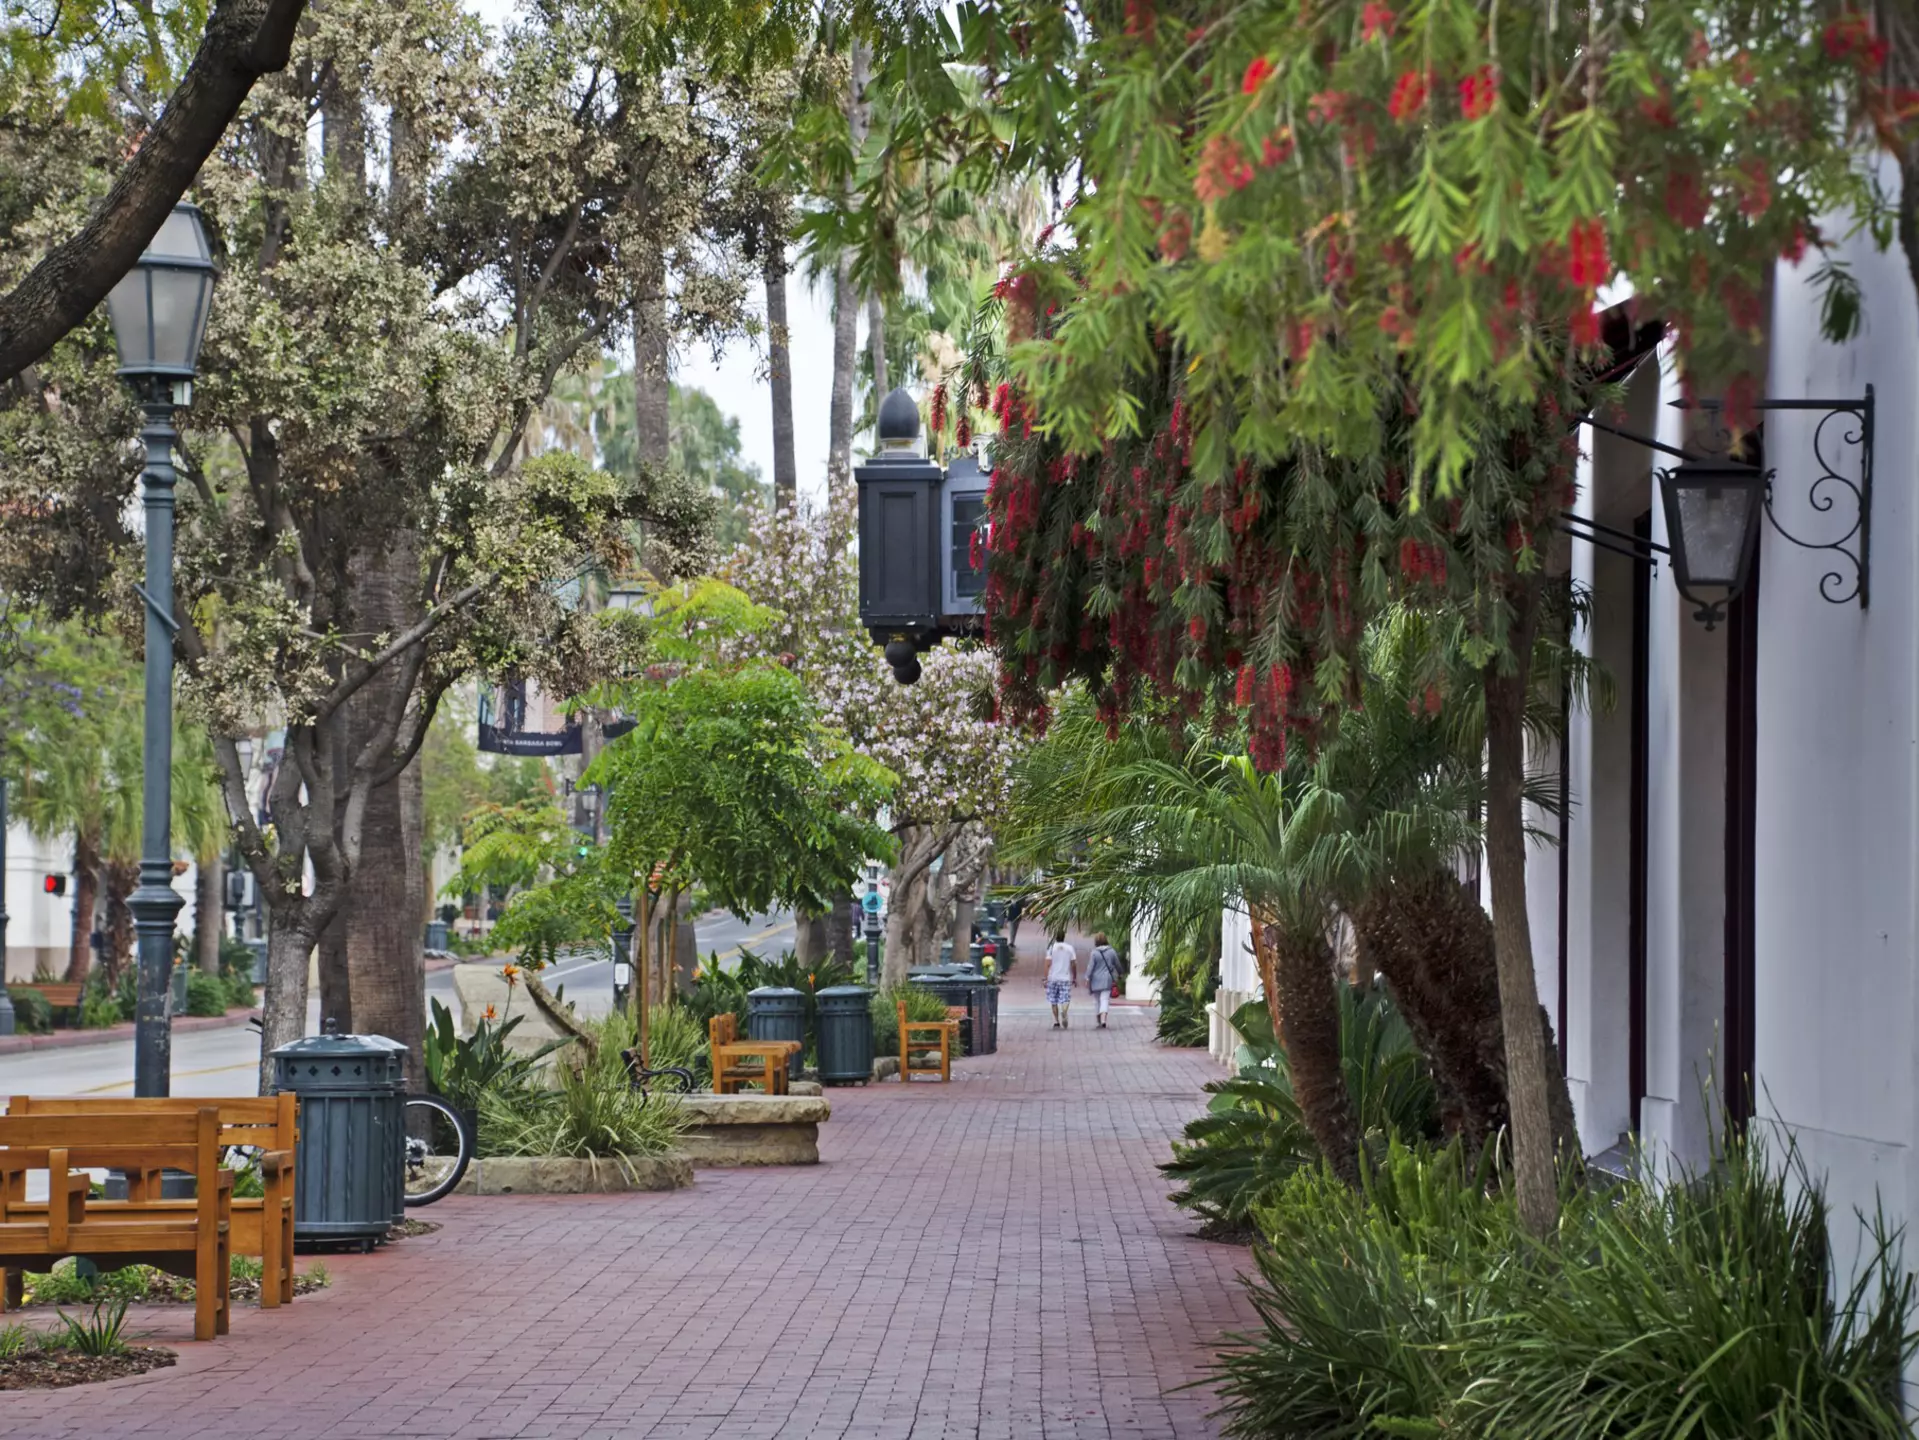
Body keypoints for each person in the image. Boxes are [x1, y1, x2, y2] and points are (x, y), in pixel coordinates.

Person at [1087, 933, 1122, 1029]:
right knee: (1104, 999)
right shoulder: (1111, 952)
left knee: (1097, 1000)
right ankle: (1103, 1020)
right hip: (1107, 979)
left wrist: (1087, 977)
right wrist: (1120, 973)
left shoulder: (1094, 953)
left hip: (1095, 979)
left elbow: (1090, 966)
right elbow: (1117, 964)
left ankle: (1098, 1019)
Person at [1044, 931, 1077, 1029]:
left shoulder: (1051, 948)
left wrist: (1045, 978)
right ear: (1064, 937)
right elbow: (1073, 964)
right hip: (1065, 978)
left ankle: (1056, 1021)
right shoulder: (1069, 948)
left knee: (1053, 1000)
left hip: (1053, 978)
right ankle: (1064, 1011)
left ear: (1055, 937)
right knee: (1065, 998)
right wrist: (1074, 976)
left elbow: (1047, 964)